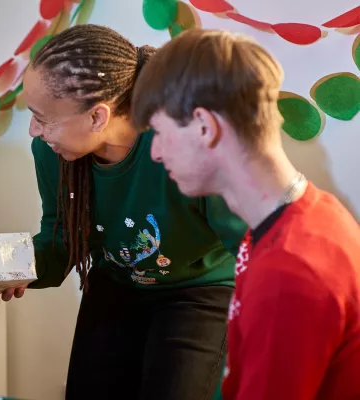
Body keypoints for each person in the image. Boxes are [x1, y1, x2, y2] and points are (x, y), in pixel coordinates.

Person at [0, 24, 248, 399]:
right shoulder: (51, 152)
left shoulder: (186, 144)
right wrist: (7, 265)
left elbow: (248, 248)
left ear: (97, 117)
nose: (33, 130)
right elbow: (61, 240)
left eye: (43, 118)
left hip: (200, 292)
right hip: (116, 285)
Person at [131, 28, 360, 399]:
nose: (155, 152)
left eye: (159, 131)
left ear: (206, 127)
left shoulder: (290, 270)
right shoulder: (306, 212)